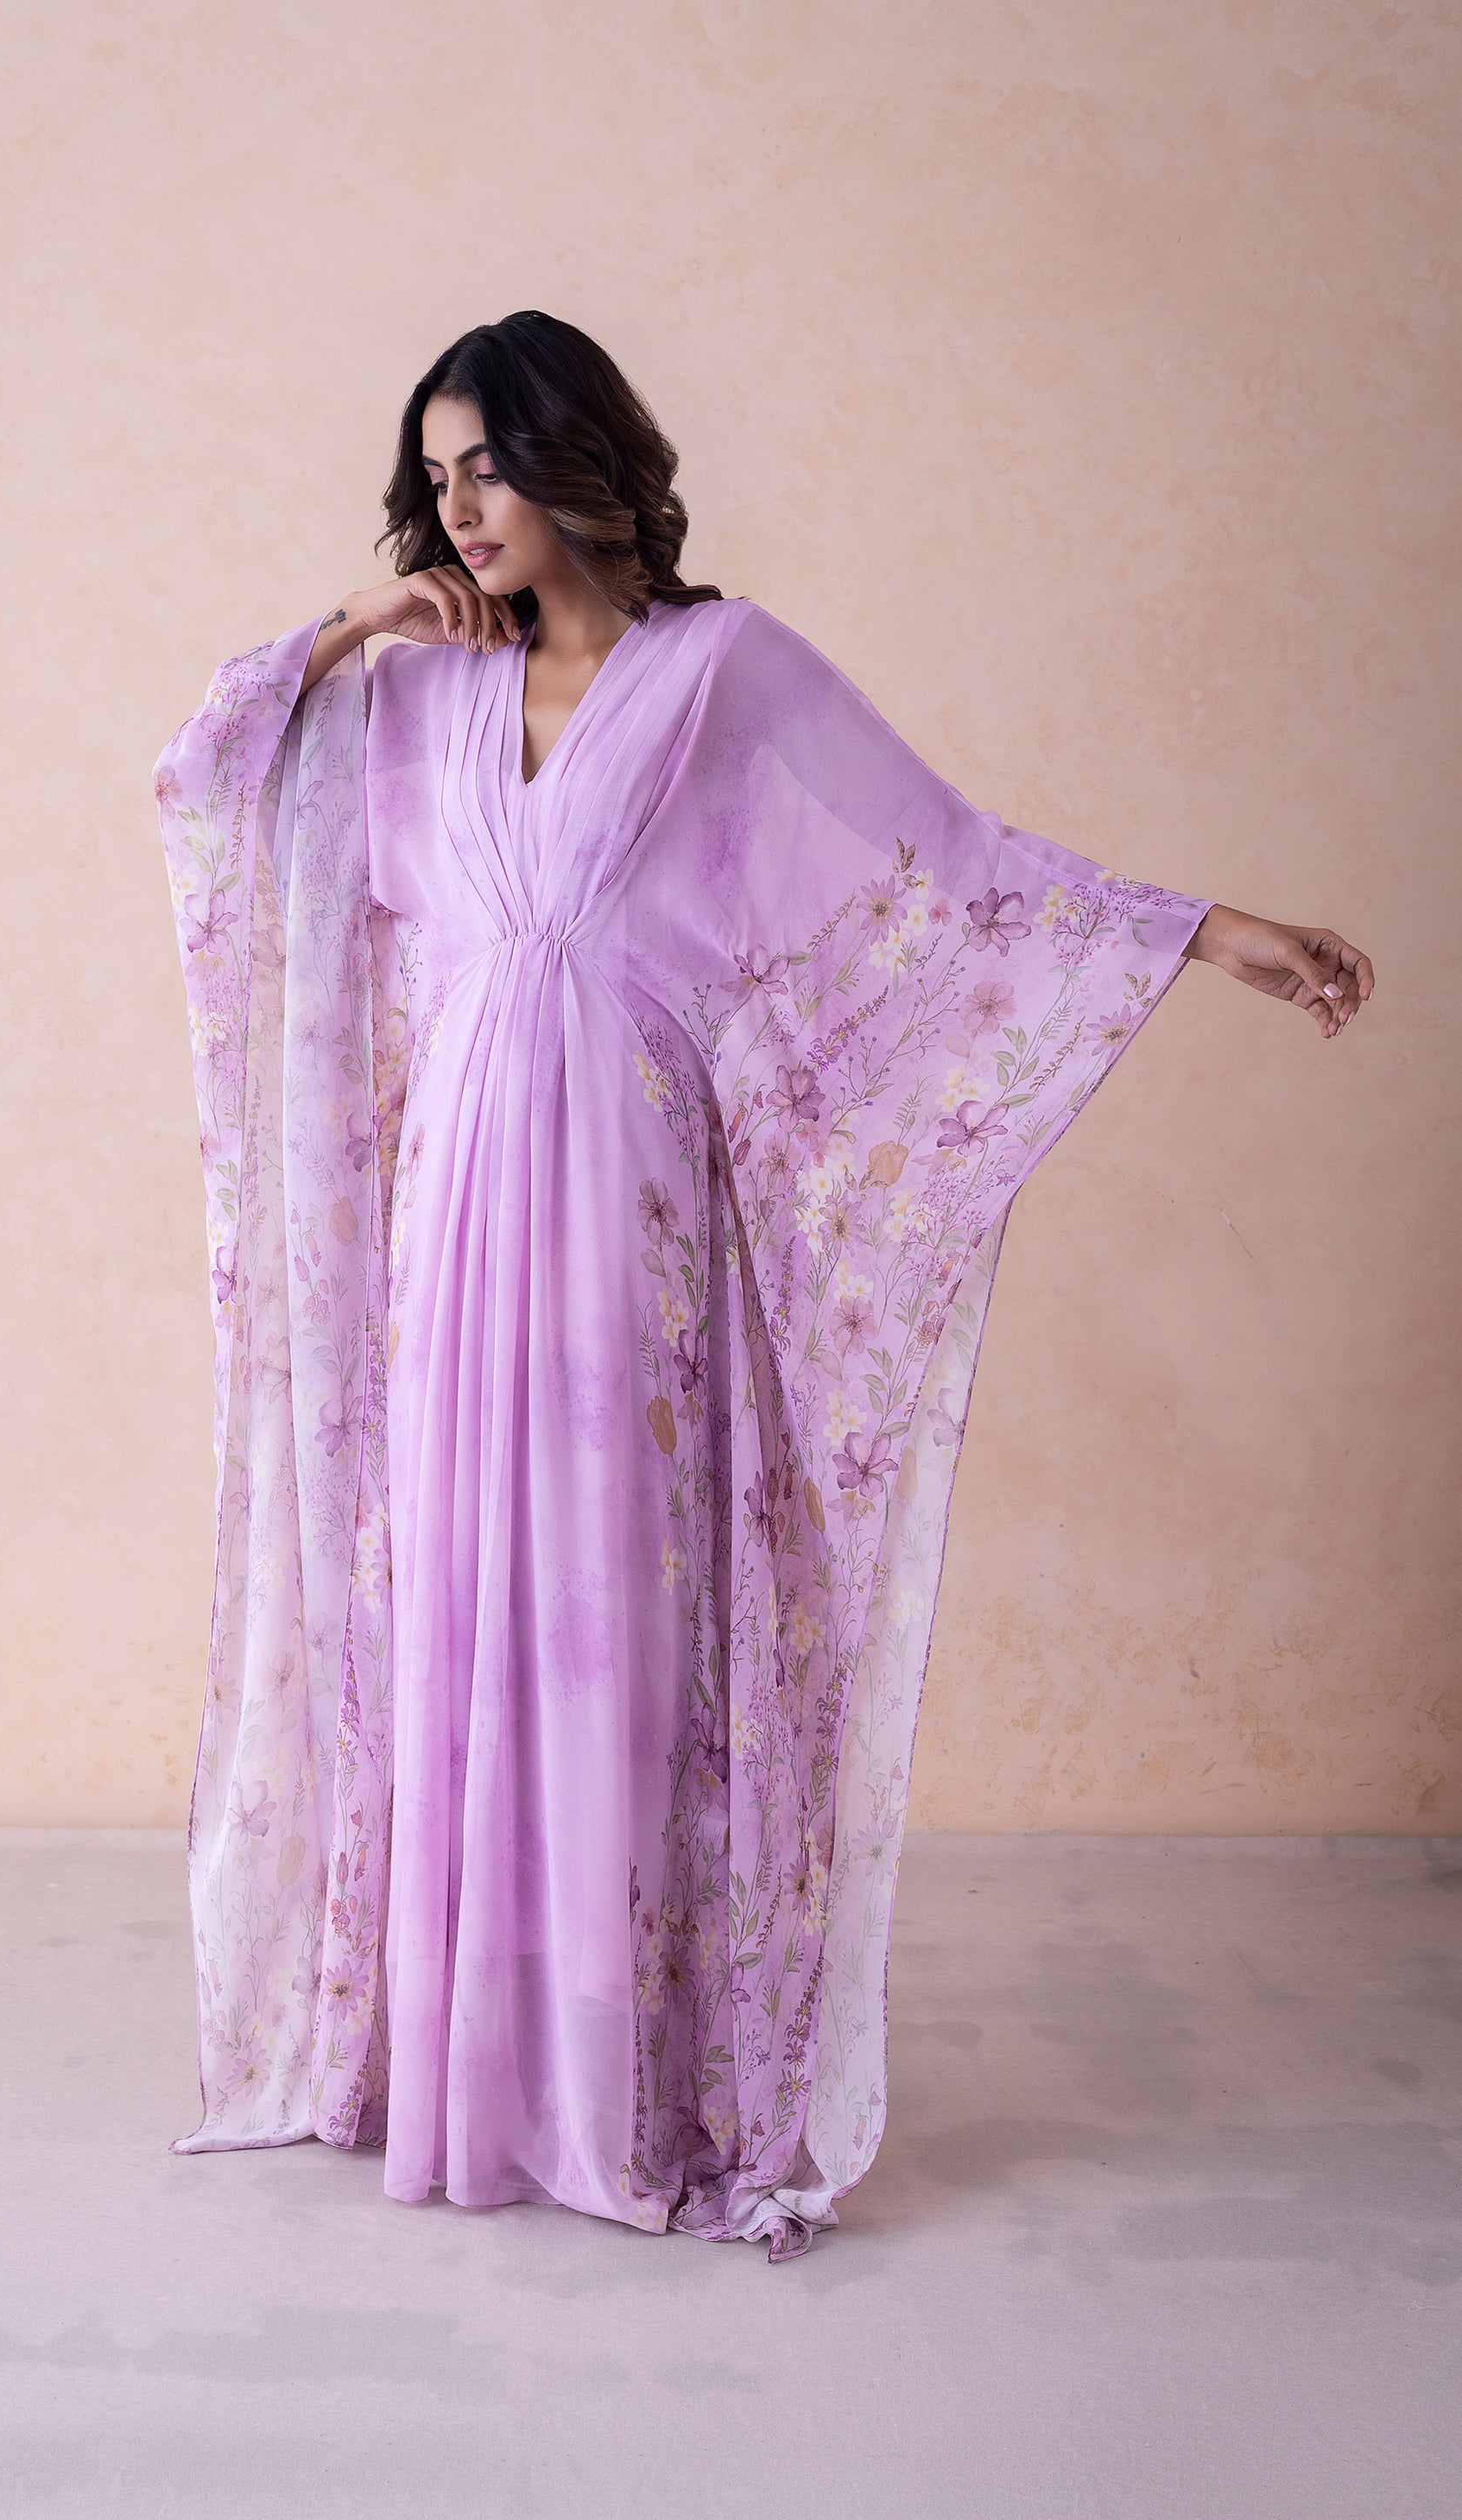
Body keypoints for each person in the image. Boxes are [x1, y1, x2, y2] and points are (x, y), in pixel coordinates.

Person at [153, 311, 1372, 2260]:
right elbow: (210, 771)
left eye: (490, 464)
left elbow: (956, 865)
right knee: (458, 1591)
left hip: (629, 1189)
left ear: (580, 457)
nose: (460, 507)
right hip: (457, 1203)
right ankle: (464, 2064)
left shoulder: (723, 669)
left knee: (611, 1605)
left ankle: (619, 2073)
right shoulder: (414, 695)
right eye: (437, 474)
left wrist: (1211, 933)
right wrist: (354, 624)